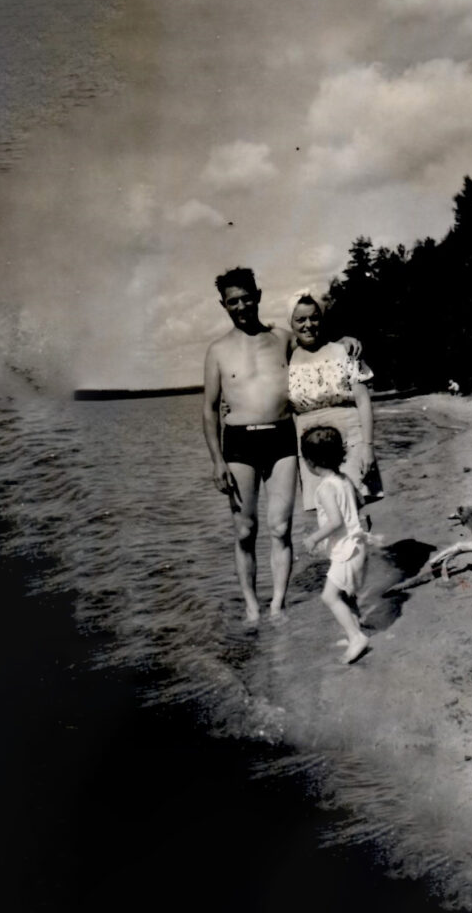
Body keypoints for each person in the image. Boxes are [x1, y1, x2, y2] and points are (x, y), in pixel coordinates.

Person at [202, 268, 360, 624]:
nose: (241, 306)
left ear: (258, 295)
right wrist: (216, 461)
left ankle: (277, 605)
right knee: (244, 530)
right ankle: (251, 607)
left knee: (279, 528)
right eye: (233, 301)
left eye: (246, 298)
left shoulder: (282, 338)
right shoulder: (217, 350)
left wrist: (344, 339)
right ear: (223, 305)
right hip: (238, 441)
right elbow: (209, 409)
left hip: (281, 438)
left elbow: (315, 340)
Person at [287, 290, 383, 512]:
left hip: (350, 436)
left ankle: (361, 546)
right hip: (309, 443)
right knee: (325, 510)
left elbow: (363, 401)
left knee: (355, 504)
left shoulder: (344, 351)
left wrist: (368, 446)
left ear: (322, 318)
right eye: (300, 320)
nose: (308, 325)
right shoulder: (287, 360)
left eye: (314, 317)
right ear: (290, 324)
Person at [301, 426, 370, 664]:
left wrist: (314, 538)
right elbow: (360, 502)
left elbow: (335, 521)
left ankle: (355, 636)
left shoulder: (324, 488)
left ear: (309, 462)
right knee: (346, 593)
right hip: (358, 544)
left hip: (346, 550)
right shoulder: (344, 479)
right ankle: (356, 629)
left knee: (329, 596)